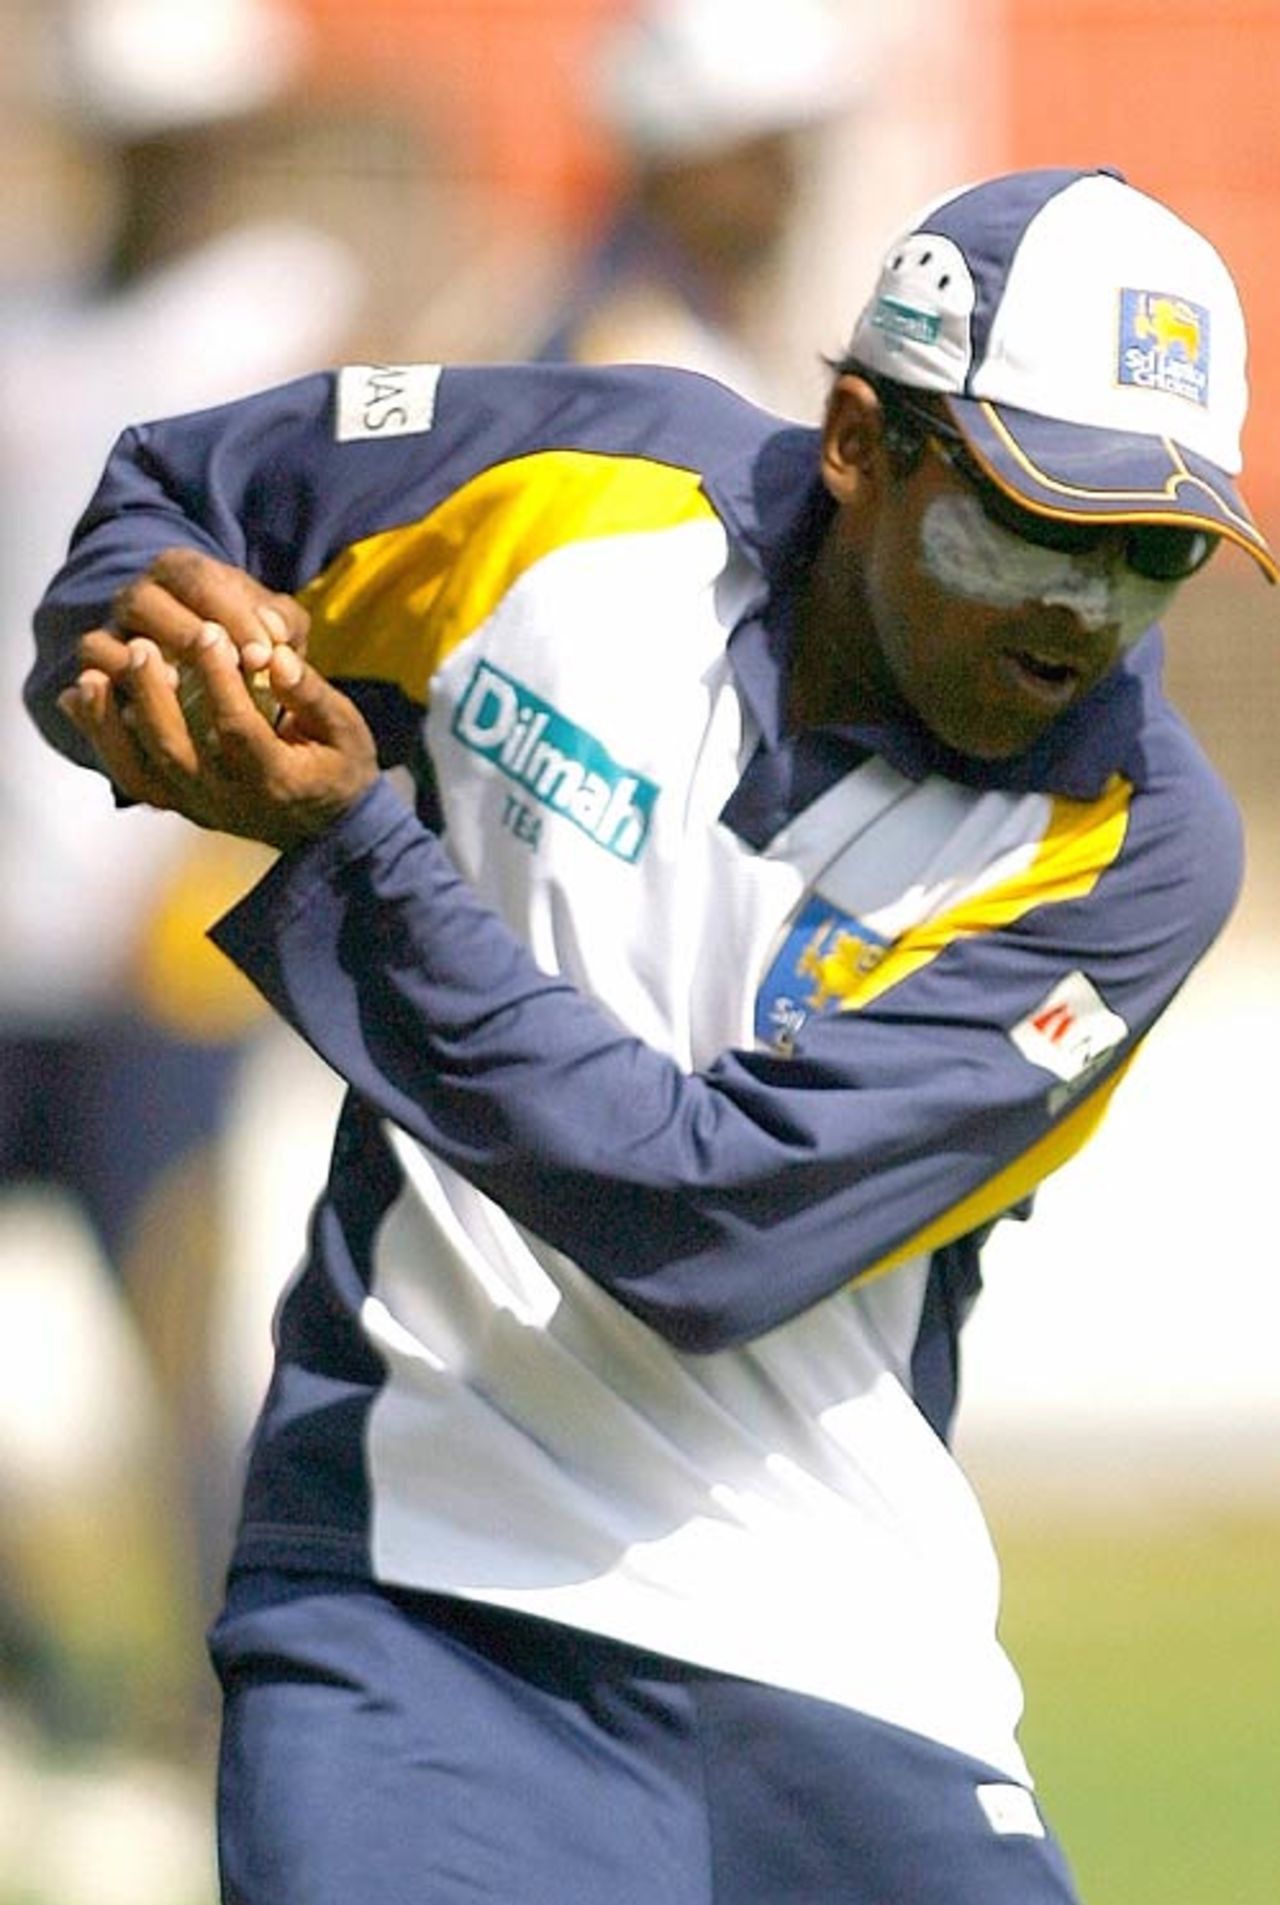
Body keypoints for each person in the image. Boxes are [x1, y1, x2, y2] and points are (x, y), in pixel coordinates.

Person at [27, 165, 1274, 1903]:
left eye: (1152, 559)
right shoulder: (573, 481)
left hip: (856, 1662)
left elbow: (716, 1223)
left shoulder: (1138, 840)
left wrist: (350, 852)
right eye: (1029, 525)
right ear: (859, 438)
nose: (1081, 613)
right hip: (420, 1599)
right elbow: (172, 505)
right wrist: (147, 686)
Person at [533, 0, 861, 408]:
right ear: (679, 168)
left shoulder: (704, 327)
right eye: (762, 158)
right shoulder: (637, 360)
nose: (789, 185)